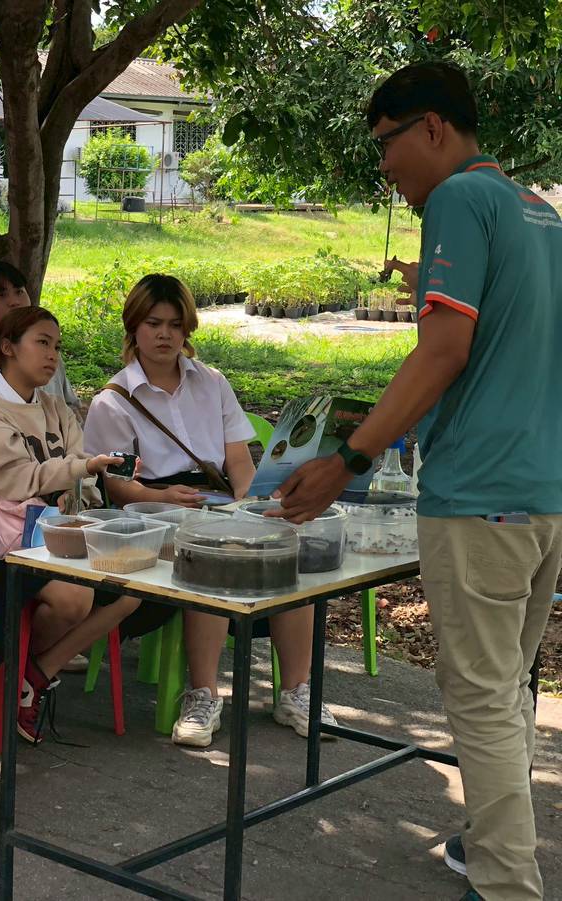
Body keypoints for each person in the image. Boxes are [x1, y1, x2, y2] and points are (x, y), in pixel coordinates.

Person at [272, 63, 562, 901]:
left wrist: (348, 460)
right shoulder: (538, 211)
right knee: (506, 686)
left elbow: (442, 351)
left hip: (480, 496)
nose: (385, 168)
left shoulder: (459, 201)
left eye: (386, 144)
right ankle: (492, 843)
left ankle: (505, 883)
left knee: (481, 697)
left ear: (432, 126)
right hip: (543, 491)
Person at [84, 274, 337, 747]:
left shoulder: (211, 382)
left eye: (175, 325)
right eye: (153, 324)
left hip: (218, 499)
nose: (165, 335)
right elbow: (116, 486)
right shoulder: (113, 400)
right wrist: (163, 498)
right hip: (154, 511)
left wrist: (250, 505)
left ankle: (296, 691)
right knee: (209, 558)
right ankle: (202, 694)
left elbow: (237, 460)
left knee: (289, 549)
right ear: (133, 327)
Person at [0, 306, 144, 743]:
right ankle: (17, 671)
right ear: (7, 347)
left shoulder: (56, 407)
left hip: (60, 533)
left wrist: (80, 489)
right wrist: (80, 471)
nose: (52, 355)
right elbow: (15, 480)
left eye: (57, 346)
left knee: (133, 586)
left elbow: (85, 480)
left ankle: (33, 672)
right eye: (42, 343)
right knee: (73, 597)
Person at [0, 261, 80, 413]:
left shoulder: (49, 351)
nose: (15, 302)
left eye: (19, 292)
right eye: (1, 295)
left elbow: (71, 405)